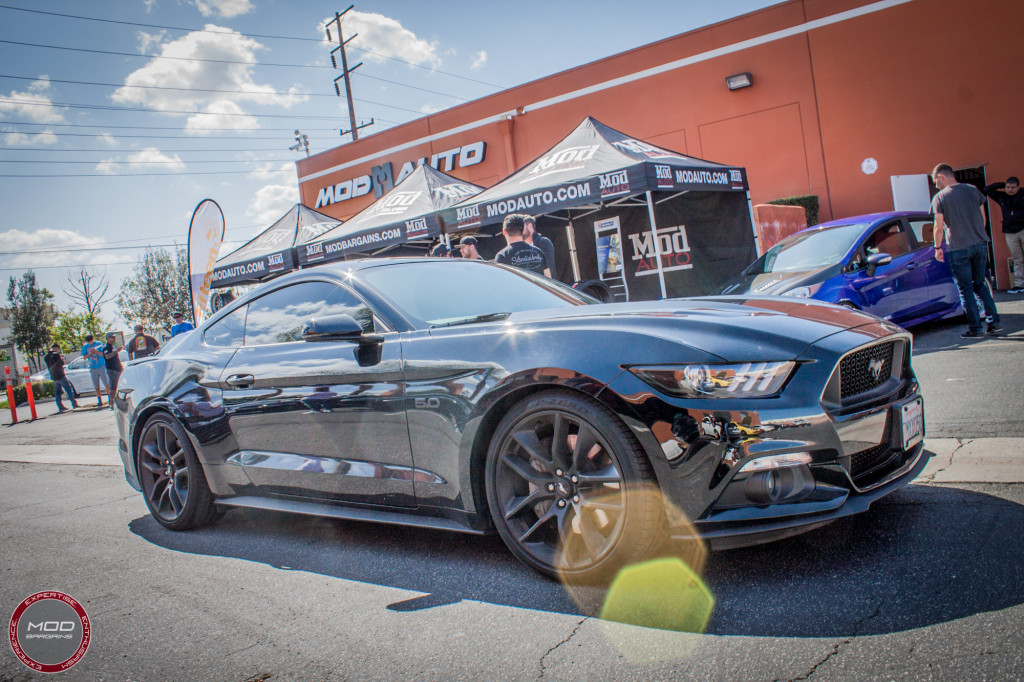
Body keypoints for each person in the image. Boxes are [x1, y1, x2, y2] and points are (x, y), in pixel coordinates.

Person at [931, 164, 1001, 338]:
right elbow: (982, 217)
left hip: (958, 247)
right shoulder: (972, 190)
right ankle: (994, 323)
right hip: (980, 243)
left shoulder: (940, 197)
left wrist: (938, 247)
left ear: (941, 176)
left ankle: (975, 328)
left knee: (965, 289)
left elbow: (938, 226)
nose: (935, 185)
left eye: (935, 181)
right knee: (980, 284)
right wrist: (976, 233)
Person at [983, 176, 1024, 293]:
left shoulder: (1022, 194)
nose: (1010, 190)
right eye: (1008, 187)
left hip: (1023, 229)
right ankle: (1019, 285)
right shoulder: (1002, 196)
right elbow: (986, 190)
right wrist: (1001, 184)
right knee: (1017, 259)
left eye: (1012, 187)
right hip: (1010, 232)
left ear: (1018, 187)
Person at [43, 343, 79, 412]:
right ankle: (74, 404)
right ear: (57, 348)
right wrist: (61, 359)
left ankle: (60, 406)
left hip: (53, 376)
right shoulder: (56, 355)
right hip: (60, 375)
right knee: (68, 389)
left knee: (57, 392)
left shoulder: (46, 356)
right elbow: (61, 364)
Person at [81, 334, 108, 407]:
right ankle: (99, 400)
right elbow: (84, 357)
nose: (90, 342)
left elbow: (103, 354)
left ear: (93, 339)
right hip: (93, 367)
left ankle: (109, 398)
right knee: (96, 385)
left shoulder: (99, 344)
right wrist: (90, 353)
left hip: (101, 365)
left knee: (106, 383)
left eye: (91, 341)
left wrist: (96, 351)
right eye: (88, 341)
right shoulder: (85, 346)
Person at [102, 332, 123, 410]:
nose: (114, 339)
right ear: (107, 338)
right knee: (113, 387)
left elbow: (116, 358)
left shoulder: (112, 346)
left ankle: (117, 402)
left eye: (114, 337)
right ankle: (111, 403)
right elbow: (107, 356)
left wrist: (120, 366)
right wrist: (116, 351)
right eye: (112, 337)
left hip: (117, 368)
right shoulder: (106, 348)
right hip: (112, 370)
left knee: (117, 387)